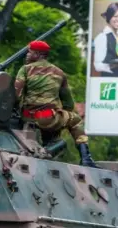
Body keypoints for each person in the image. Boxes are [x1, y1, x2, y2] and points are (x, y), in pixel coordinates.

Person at [14, 40, 97, 168]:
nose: (27, 55)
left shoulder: (24, 70)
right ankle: (86, 158)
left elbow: (16, 95)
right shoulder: (59, 73)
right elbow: (68, 103)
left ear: (38, 54)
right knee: (75, 120)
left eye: (29, 53)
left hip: (27, 118)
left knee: (50, 130)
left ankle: (46, 149)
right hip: (48, 118)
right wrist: (60, 117)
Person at [93, 2, 118, 77]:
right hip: (108, 81)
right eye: (115, 16)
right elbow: (97, 66)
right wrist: (113, 66)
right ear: (109, 17)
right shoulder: (102, 37)